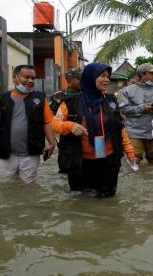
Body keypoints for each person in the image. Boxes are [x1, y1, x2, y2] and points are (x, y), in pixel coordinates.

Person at [52, 62, 137, 197]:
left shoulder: (111, 101)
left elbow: (119, 129)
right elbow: (55, 124)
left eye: (108, 76)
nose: (107, 80)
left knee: (107, 199)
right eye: (102, 76)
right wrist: (70, 126)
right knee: (81, 200)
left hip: (108, 160)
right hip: (80, 162)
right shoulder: (70, 102)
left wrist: (130, 153)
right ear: (90, 77)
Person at [0, 65, 56, 183]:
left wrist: (52, 142)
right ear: (14, 78)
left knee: (28, 188)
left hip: (31, 154)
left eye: (33, 78)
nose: (30, 81)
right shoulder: (1, 100)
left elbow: (47, 122)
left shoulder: (40, 99)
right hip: (7, 154)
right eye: (26, 77)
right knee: (4, 186)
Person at [119, 63, 153, 164]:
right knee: (134, 160)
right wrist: (141, 108)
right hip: (134, 132)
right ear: (142, 75)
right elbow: (123, 109)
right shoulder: (128, 90)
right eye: (152, 73)